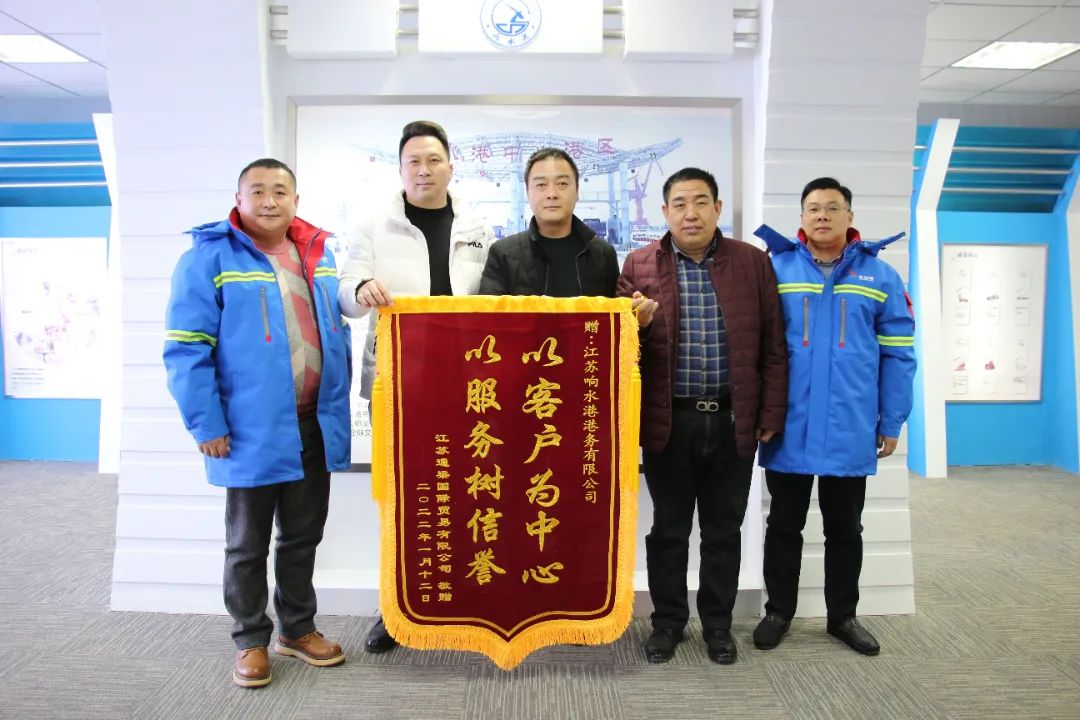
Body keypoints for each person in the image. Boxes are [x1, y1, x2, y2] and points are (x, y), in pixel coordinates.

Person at [164, 158, 352, 688]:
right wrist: (206, 423)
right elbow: (186, 349)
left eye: (280, 191)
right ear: (239, 199)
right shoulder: (208, 258)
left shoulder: (317, 253)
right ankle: (250, 639)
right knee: (247, 545)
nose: (270, 201)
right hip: (249, 430)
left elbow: (336, 327)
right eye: (258, 191)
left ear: (296, 199)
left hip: (314, 423)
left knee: (303, 536)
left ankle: (298, 629)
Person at [617, 167, 787, 665]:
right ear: (664, 211)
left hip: (734, 421)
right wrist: (636, 324)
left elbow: (774, 345)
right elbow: (617, 351)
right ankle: (667, 623)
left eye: (700, 202)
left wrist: (770, 411)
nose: (689, 213)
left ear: (717, 208)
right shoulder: (639, 264)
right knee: (668, 531)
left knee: (722, 531)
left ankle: (717, 625)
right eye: (679, 204)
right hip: (670, 422)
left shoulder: (752, 263)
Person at [337, 120, 495, 654]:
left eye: (433, 160)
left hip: (468, 385)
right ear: (401, 169)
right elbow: (344, 292)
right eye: (413, 162)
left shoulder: (477, 226)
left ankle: (464, 597)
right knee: (400, 497)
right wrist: (361, 287)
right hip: (398, 381)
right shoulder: (374, 225)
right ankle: (395, 609)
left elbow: (496, 298)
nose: (424, 170)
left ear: (450, 165)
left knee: (468, 491)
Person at [752, 177, 916, 657]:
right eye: (813, 208)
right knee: (784, 524)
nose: (822, 215)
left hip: (850, 424)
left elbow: (899, 353)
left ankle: (843, 616)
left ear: (850, 217)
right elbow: (756, 348)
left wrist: (892, 420)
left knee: (845, 528)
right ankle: (778, 612)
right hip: (790, 423)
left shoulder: (880, 277)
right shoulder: (776, 269)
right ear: (801, 218)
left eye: (832, 207)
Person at [479, 147, 619, 297]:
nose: (552, 194)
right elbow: (488, 311)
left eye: (562, 184)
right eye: (541, 185)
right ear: (528, 193)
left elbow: (617, 310)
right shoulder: (503, 254)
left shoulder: (603, 254)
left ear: (577, 191)